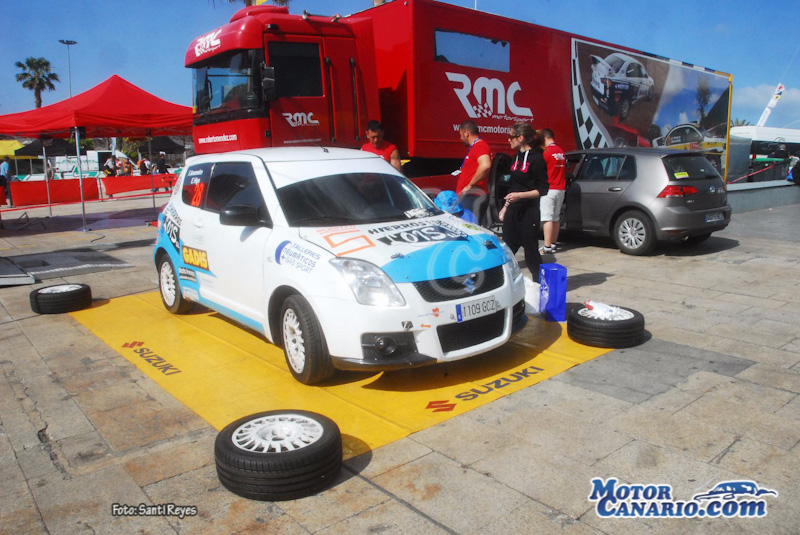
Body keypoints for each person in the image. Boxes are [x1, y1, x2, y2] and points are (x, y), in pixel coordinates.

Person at [498, 123, 548, 276]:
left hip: (529, 213)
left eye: (511, 137)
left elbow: (542, 190)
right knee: (506, 250)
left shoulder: (537, 159)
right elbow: (513, 186)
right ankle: (504, 282)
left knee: (531, 252)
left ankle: (539, 283)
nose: (508, 140)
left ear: (520, 138)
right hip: (513, 211)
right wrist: (505, 207)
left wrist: (520, 196)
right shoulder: (516, 157)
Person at [455, 120, 492, 222]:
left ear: (466, 133)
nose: (460, 138)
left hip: (473, 196)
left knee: (469, 227)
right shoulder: (476, 147)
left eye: (461, 135)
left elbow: (485, 165)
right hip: (471, 196)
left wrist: (470, 185)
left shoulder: (479, 146)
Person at [539, 128, 567, 254]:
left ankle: (547, 247)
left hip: (549, 189)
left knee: (547, 218)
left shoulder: (547, 152)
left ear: (544, 138)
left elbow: (541, 170)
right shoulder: (561, 151)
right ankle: (553, 244)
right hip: (560, 188)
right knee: (555, 218)